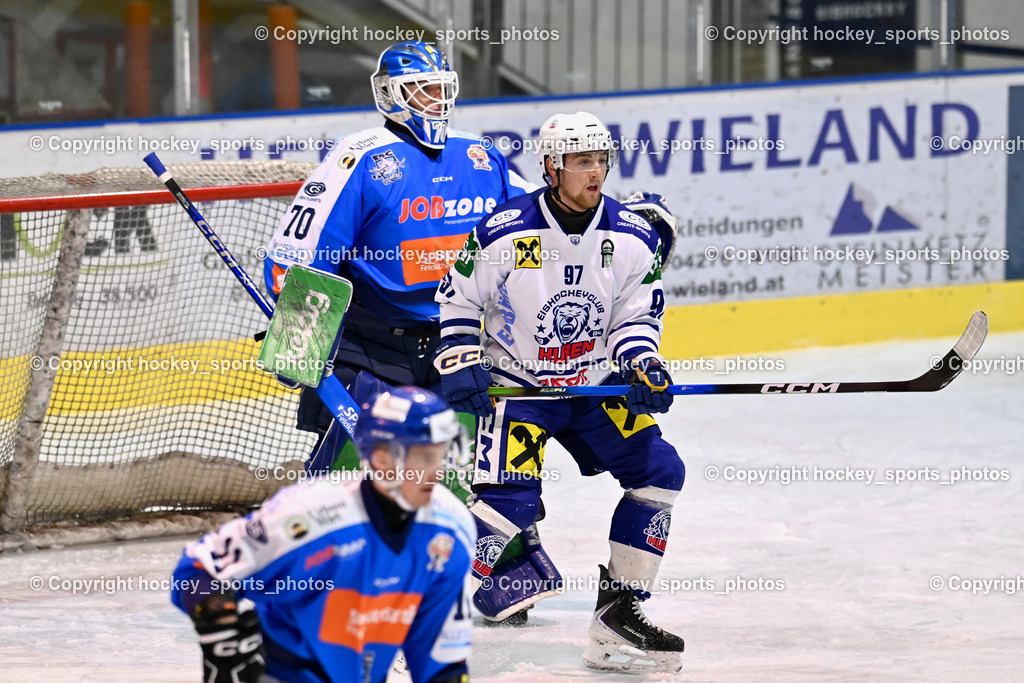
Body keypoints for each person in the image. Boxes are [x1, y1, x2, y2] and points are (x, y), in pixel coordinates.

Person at [433, 111, 685, 673]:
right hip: (519, 389)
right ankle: (418, 604)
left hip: (594, 391)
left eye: (601, 160)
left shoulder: (632, 235)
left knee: (660, 470)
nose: (596, 172)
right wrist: (460, 359)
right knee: (507, 507)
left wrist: (641, 364)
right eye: (581, 161)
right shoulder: (503, 231)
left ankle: (621, 613)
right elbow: (458, 300)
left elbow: (635, 317)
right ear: (552, 167)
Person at [262, 40, 531, 474]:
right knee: (344, 479)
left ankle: (502, 542)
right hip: (371, 350)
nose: (436, 100)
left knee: (471, 478)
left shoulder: (480, 157)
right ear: (390, 94)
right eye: (422, 89)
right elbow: (300, 252)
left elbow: (534, 225)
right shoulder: (359, 158)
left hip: (458, 345)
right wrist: (300, 340)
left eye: (442, 89)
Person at [170, 386, 476, 683]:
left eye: (441, 454)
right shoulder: (308, 514)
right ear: (382, 459)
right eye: (424, 458)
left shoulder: (450, 528)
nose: (437, 472)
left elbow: (441, 663)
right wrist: (221, 626)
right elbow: (198, 568)